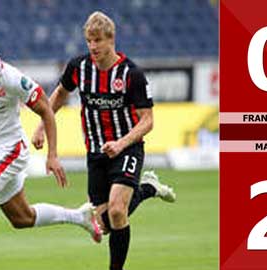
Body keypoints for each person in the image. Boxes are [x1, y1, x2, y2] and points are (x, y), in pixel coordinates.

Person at [0, 31, 102, 270]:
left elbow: (45, 108)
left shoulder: (11, 78)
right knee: (22, 218)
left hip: (11, 149)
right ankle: (80, 217)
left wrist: (52, 155)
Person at [32, 11, 176, 270]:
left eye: (98, 40)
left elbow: (148, 121)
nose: (93, 46)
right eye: (89, 40)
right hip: (96, 151)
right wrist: (42, 125)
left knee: (119, 210)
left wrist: (121, 143)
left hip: (127, 148)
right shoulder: (79, 67)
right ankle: (148, 188)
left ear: (111, 40)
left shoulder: (132, 74)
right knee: (105, 224)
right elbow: (61, 94)